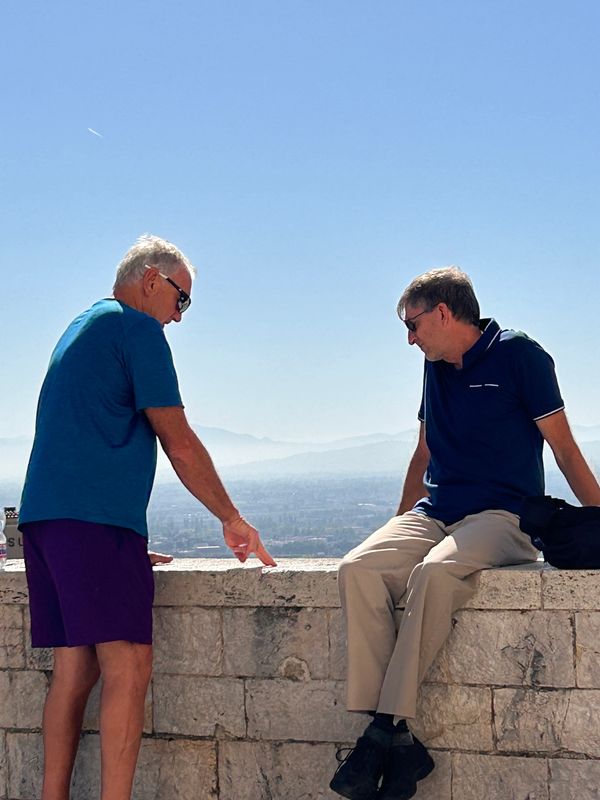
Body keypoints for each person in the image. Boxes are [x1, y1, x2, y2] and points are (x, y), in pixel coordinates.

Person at [18, 234, 276, 800]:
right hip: (93, 522)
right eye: (182, 299)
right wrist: (232, 518)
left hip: (47, 519)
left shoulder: (82, 325)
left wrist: (122, 545)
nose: (179, 316)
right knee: (129, 666)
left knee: (74, 670)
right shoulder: (136, 329)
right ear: (152, 279)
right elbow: (177, 440)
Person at [330, 267, 600, 800]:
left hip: (505, 517)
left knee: (434, 574)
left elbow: (565, 450)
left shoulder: (521, 356)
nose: (410, 339)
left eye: (412, 325)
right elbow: (423, 453)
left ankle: (382, 728)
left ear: (443, 312)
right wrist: (398, 523)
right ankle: (396, 739)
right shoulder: (434, 367)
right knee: (357, 568)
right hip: (438, 510)